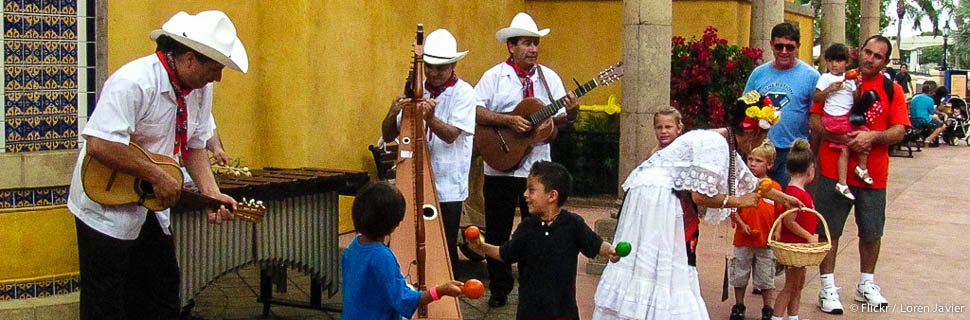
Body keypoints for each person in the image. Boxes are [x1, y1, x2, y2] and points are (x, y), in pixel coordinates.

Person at [66, 10, 246, 319]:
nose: (218, 77)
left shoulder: (200, 90)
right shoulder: (133, 82)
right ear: (190, 59)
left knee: (161, 296)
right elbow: (100, 144)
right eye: (215, 68)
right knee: (106, 303)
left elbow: (194, 145)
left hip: (150, 202)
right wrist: (156, 174)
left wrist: (211, 193)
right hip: (104, 201)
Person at [592, 91, 804, 320]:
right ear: (753, 132)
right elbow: (700, 197)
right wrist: (738, 201)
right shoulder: (716, 144)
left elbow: (751, 183)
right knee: (660, 260)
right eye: (764, 134)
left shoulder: (724, 142)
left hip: (658, 193)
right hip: (656, 195)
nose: (763, 140)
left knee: (665, 261)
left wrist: (785, 199)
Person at [474, 12, 579, 308]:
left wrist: (572, 112)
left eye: (536, 43)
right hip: (499, 166)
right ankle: (499, 288)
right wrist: (508, 120)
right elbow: (475, 110)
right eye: (527, 43)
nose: (533, 49)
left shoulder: (549, 78)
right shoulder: (494, 77)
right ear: (511, 46)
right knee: (498, 229)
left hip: (537, 169)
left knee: (538, 229)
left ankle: (534, 284)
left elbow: (560, 121)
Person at [809, 35, 908, 314]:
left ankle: (866, 284)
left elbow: (900, 130)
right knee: (828, 231)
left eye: (878, 56)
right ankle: (827, 288)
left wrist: (872, 137)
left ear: (885, 62)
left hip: (872, 174)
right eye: (867, 52)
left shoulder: (891, 89)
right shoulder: (836, 78)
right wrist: (839, 138)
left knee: (872, 231)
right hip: (832, 170)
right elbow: (814, 119)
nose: (870, 59)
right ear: (859, 52)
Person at [467, 161, 620, 319]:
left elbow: (596, 244)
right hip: (530, 313)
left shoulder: (573, 224)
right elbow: (504, 253)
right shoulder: (527, 227)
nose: (525, 194)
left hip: (564, 311)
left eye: (531, 190)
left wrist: (610, 250)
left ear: (552, 196)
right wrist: (481, 245)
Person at [381, 28, 476, 270]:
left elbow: (451, 135)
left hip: (448, 185)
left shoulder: (464, 92)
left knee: (444, 246)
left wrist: (431, 119)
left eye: (440, 68)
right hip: (414, 180)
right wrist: (392, 113)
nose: (433, 73)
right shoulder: (415, 90)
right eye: (429, 67)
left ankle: (447, 288)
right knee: (410, 241)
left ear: (453, 65)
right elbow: (389, 135)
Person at [341, 182, 464, 319]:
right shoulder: (382, 256)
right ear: (394, 225)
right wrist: (440, 291)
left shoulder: (351, 248)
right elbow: (404, 300)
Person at [744, 22, 821, 187]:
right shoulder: (758, 74)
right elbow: (745, 109)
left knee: (788, 200)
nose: (784, 51)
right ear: (771, 45)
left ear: (798, 46)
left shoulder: (812, 76)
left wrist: (811, 155)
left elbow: (816, 119)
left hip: (792, 153)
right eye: (779, 46)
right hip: (760, 151)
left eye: (790, 47)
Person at [729, 141, 783, 320]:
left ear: (769, 164)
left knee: (766, 277)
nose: (752, 164)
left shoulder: (775, 187)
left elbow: (779, 213)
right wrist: (740, 223)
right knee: (739, 274)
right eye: (750, 159)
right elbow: (733, 210)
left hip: (765, 242)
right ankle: (739, 305)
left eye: (758, 161)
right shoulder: (741, 186)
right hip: (743, 239)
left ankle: (767, 307)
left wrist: (777, 231)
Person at [813, 43, 871, 201]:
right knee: (861, 136)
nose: (834, 64)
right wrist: (828, 90)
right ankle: (861, 168)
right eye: (830, 61)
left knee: (848, 147)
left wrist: (858, 87)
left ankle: (843, 182)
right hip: (833, 118)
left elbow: (856, 100)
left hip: (846, 117)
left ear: (847, 62)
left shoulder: (850, 79)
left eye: (838, 61)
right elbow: (816, 98)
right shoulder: (825, 78)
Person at [770, 138, 818, 320]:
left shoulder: (797, 192)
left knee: (797, 285)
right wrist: (808, 236)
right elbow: (790, 221)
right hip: (794, 246)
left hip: (800, 247)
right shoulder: (795, 194)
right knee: (790, 286)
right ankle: (777, 316)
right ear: (810, 170)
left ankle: (793, 316)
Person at [909, 83, 947, 147]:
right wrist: (941, 113)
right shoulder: (930, 100)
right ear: (930, 92)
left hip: (913, 119)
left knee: (933, 120)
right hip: (924, 120)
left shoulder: (914, 97)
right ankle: (928, 139)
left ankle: (927, 138)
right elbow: (932, 112)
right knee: (942, 126)